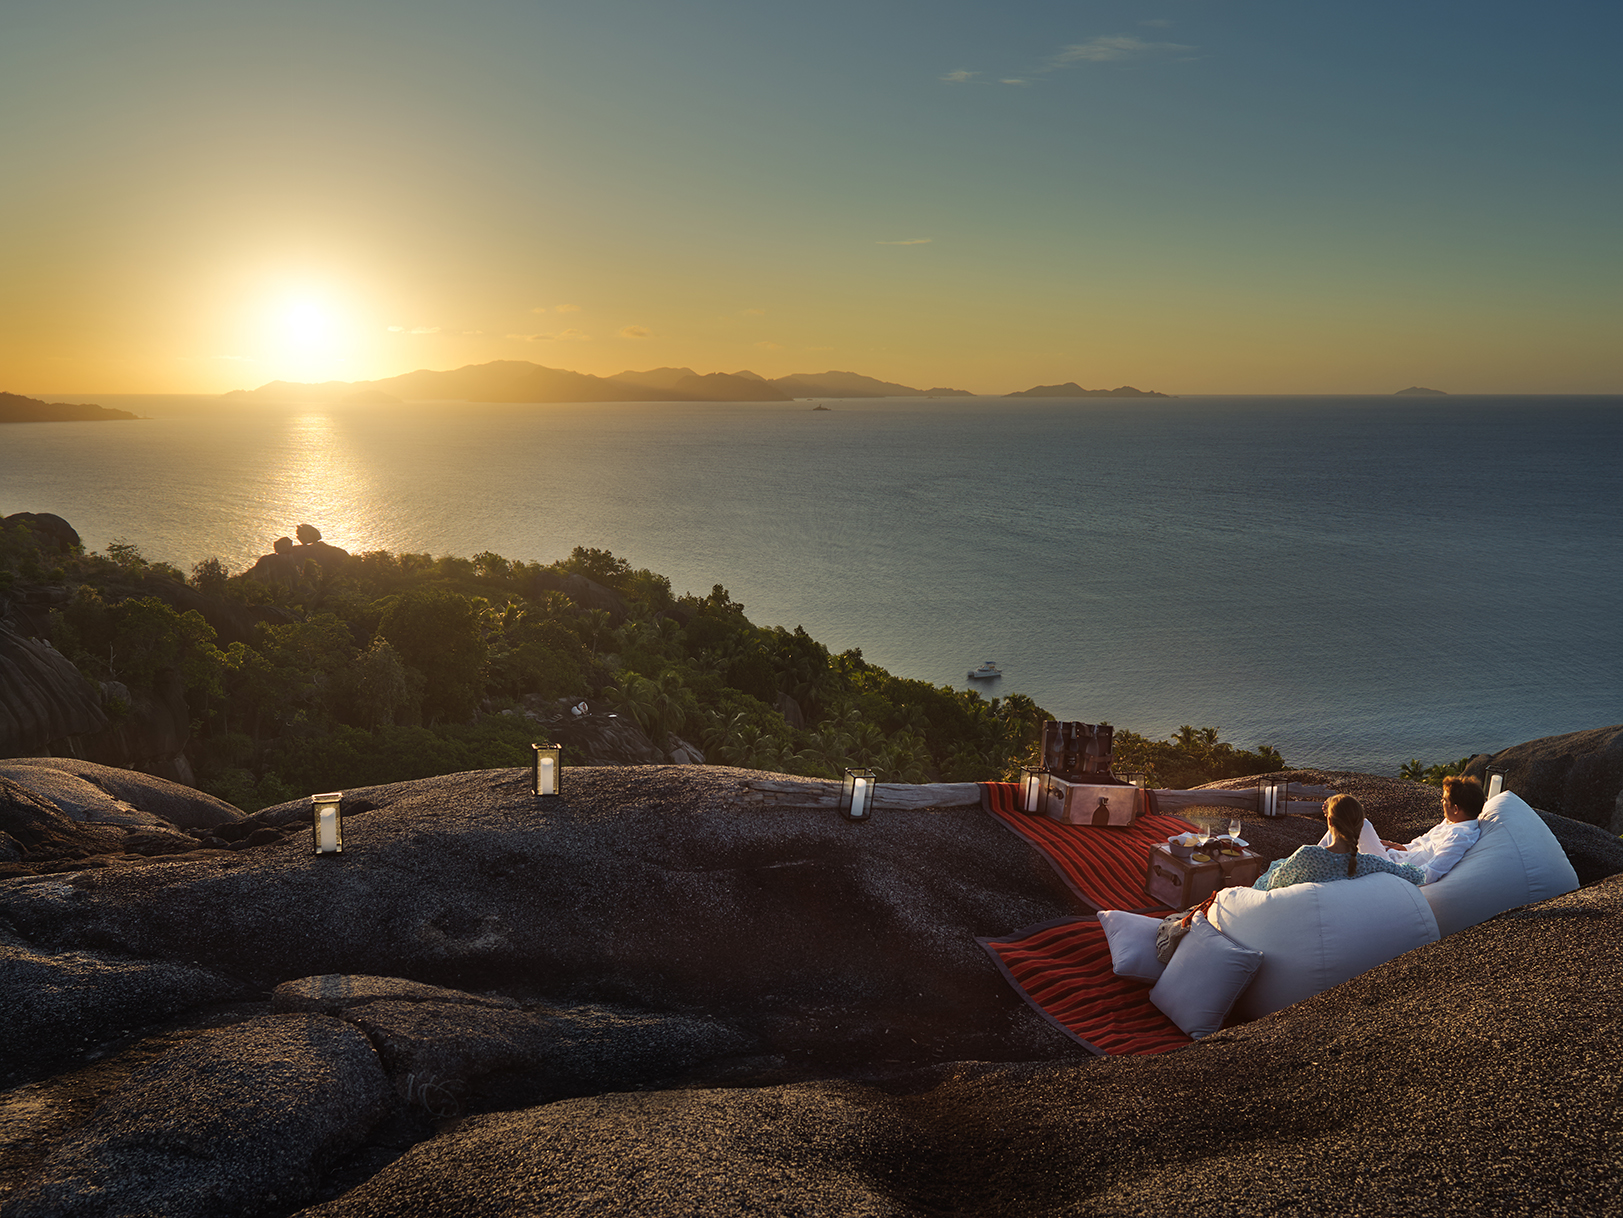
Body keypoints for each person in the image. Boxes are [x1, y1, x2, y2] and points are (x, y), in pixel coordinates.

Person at [1253, 794, 1424, 892]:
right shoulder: (1370, 863)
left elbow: (1265, 886)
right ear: (1361, 825)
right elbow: (1416, 875)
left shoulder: (1308, 856)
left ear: (1331, 823)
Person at [1377, 775, 1484, 885]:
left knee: (1364, 827)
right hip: (1396, 856)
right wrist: (1404, 847)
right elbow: (1424, 839)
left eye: (1445, 800)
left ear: (1455, 809)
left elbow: (1430, 872)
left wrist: (1391, 871)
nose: (1442, 802)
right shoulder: (1452, 821)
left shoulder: (1459, 837)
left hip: (1394, 868)